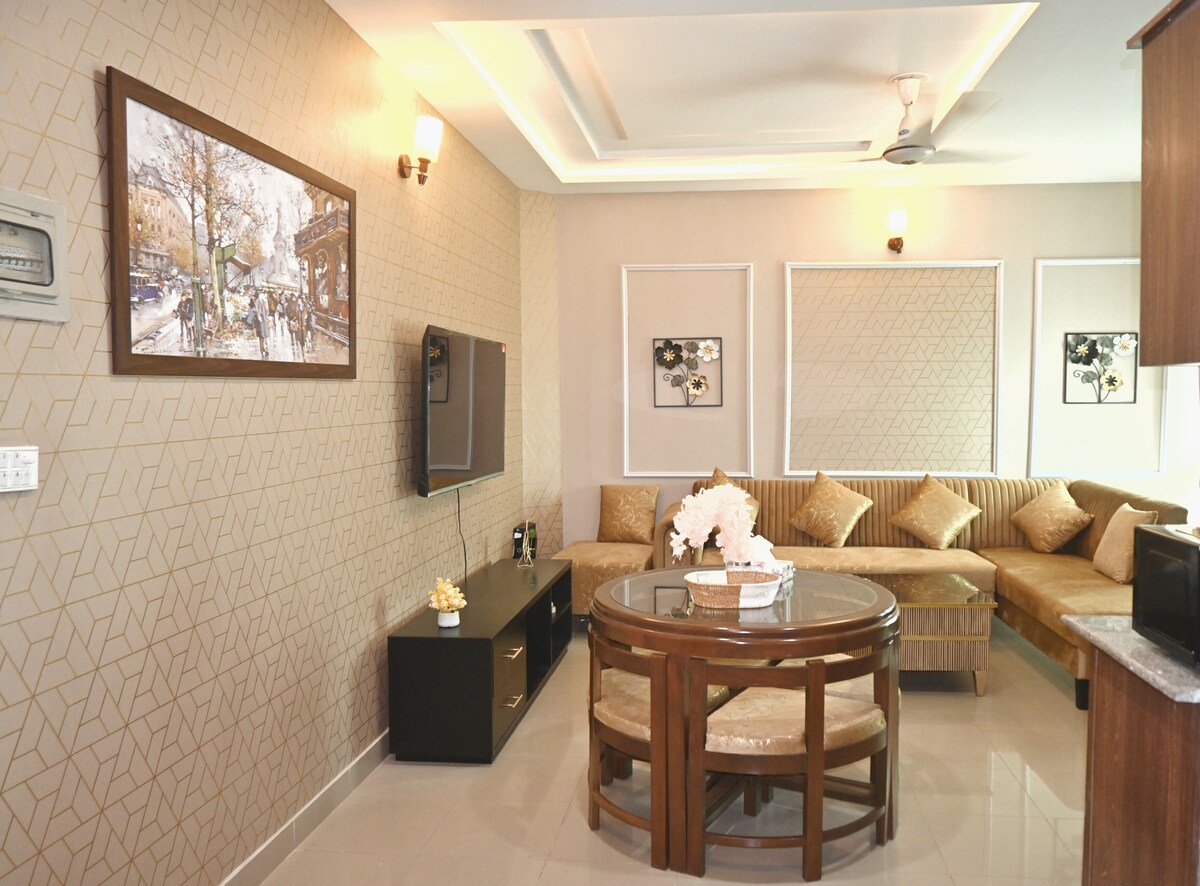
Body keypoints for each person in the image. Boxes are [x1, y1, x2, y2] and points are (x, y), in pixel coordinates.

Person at [253, 289, 270, 359]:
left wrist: (268, 316)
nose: (262, 294)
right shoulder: (258, 300)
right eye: (261, 293)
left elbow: (267, 310)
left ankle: (265, 349)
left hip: (264, 320)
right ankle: (262, 350)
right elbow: (257, 310)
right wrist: (259, 317)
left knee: (264, 336)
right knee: (261, 336)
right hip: (260, 321)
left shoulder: (264, 300)